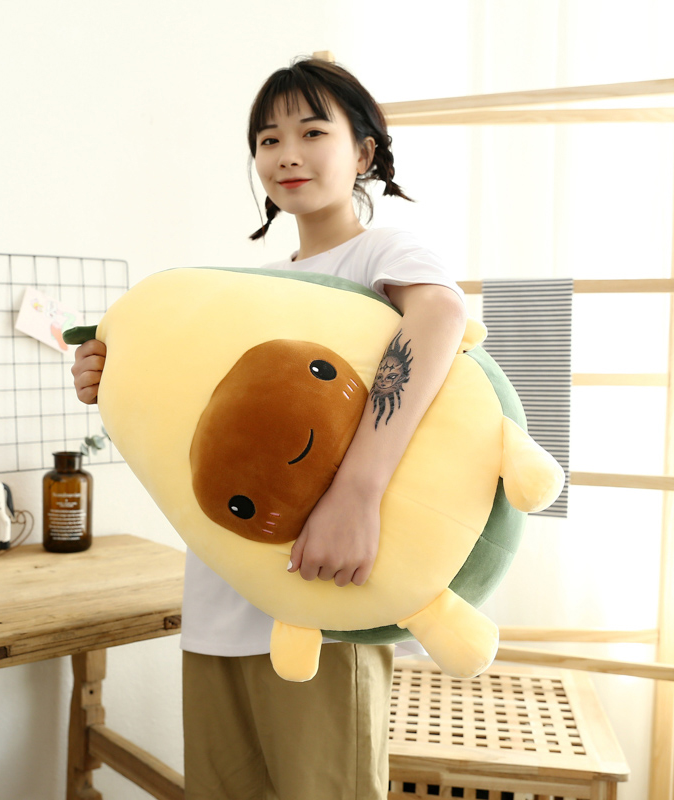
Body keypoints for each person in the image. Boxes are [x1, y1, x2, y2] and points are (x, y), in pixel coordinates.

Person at [72, 57, 466, 800]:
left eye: (312, 132)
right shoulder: (252, 286)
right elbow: (204, 420)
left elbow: (441, 318)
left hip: (328, 595)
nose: (286, 153)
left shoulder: (386, 253)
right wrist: (109, 378)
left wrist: (357, 492)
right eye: (267, 139)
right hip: (220, 596)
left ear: (364, 153)